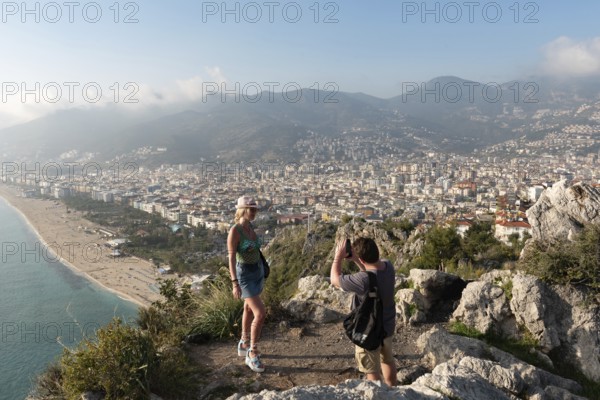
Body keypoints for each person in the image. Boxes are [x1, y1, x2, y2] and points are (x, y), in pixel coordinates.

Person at [330, 237, 397, 386]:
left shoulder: (362, 280)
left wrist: (337, 257)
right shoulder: (388, 266)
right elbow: (370, 272)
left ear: (362, 258)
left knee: (371, 369)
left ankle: (377, 393)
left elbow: (334, 279)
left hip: (369, 329)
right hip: (388, 326)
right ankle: (393, 388)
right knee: (387, 359)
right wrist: (357, 260)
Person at [228, 195, 266, 373]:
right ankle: (253, 352)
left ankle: (243, 342)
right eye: (251, 209)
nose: (254, 212)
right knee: (260, 312)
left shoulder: (250, 227)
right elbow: (231, 258)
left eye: (255, 209)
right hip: (244, 275)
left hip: (256, 272)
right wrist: (234, 283)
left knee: (249, 309)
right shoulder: (235, 230)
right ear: (242, 210)